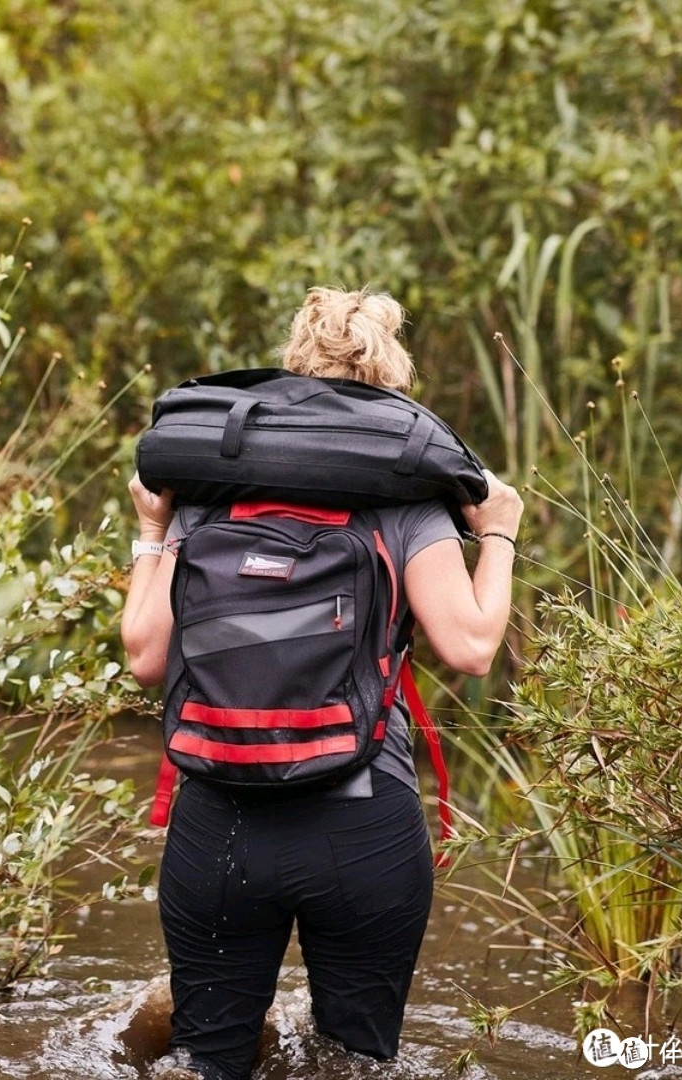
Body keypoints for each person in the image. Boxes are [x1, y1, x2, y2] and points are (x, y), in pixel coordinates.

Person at [121, 286, 524, 1080]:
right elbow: (472, 647)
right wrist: (500, 533)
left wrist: (151, 531)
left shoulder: (210, 493)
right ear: (392, 378)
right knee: (357, 1064)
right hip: (362, 823)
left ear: (293, 365)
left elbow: (146, 658)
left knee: (205, 1063)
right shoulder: (407, 504)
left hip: (218, 827)